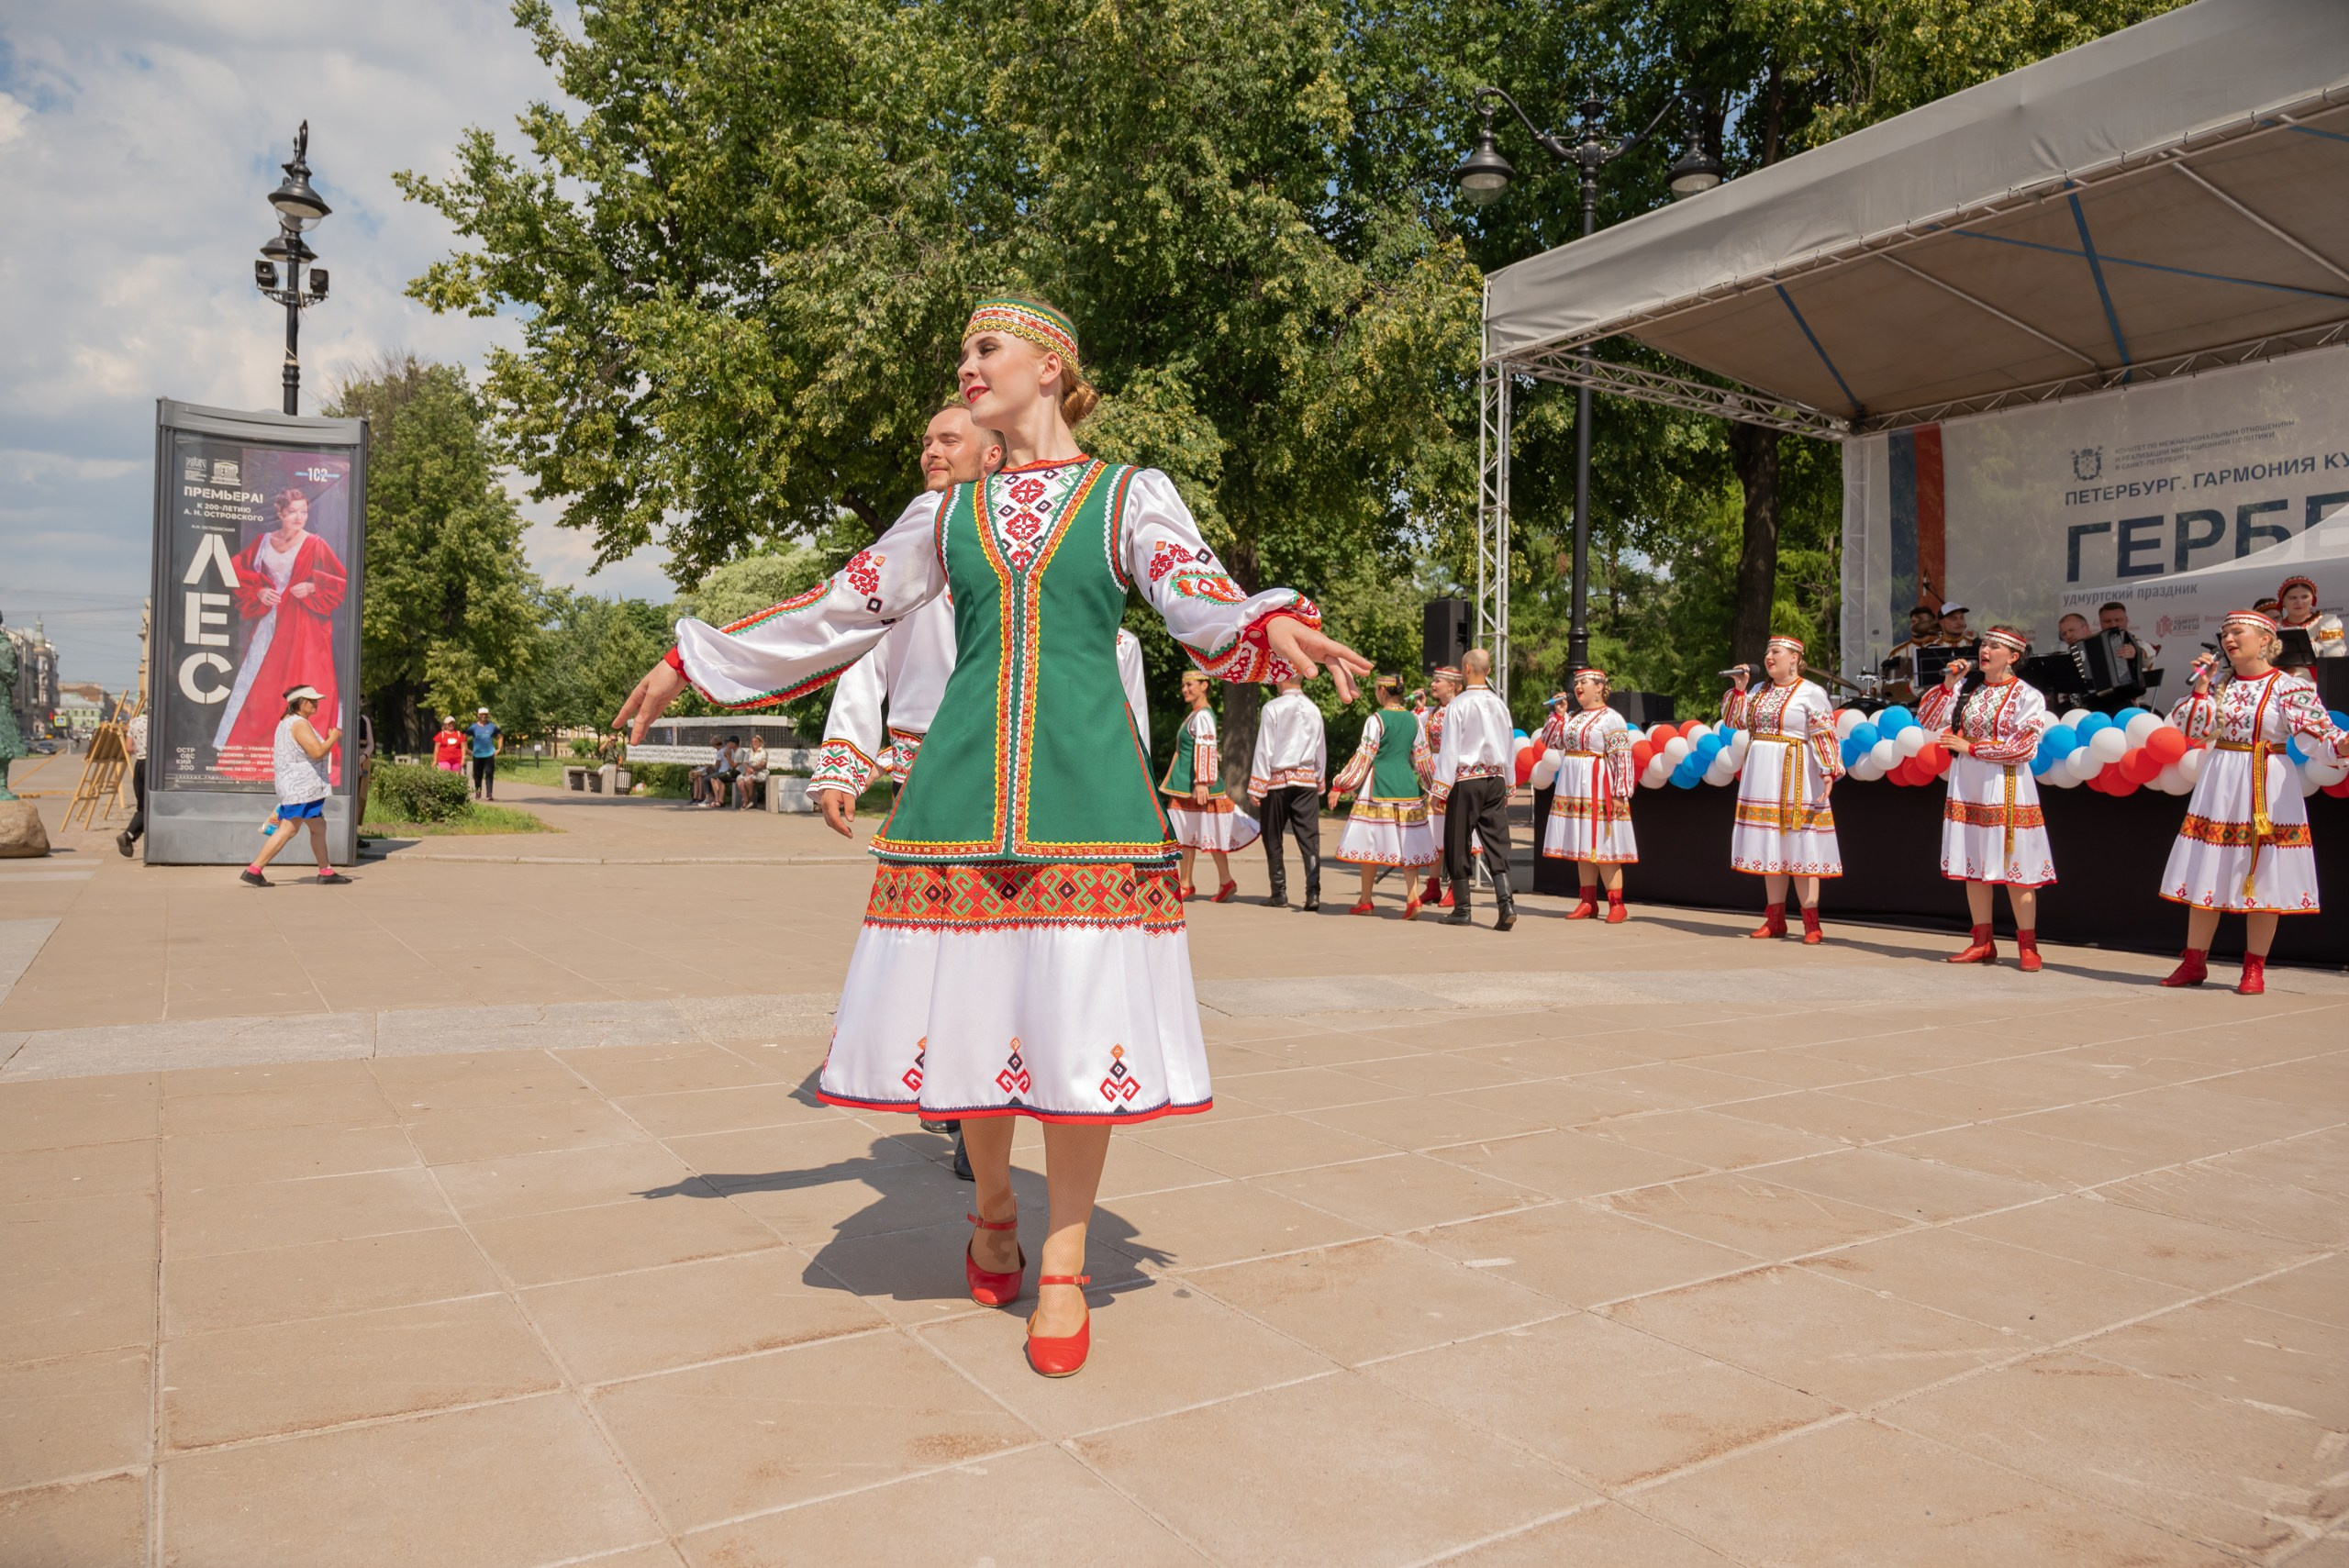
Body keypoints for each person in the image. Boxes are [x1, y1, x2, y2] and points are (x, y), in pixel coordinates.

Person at [615, 294, 1367, 1377]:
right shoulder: (945, 516)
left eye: (986, 348)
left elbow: (1194, 590)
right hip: (960, 786)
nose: (966, 367)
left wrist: (1264, 619)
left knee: (1073, 1017)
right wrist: (694, 656)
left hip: (1085, 789)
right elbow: (837, 606)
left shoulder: (1125, 498)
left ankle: (1061, 1262)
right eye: (964, 351)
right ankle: (997, 1201)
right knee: (967, 1016)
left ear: (1051, 367)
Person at [2158, 610, 2346, 995]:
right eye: (2225, 633)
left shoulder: (2290, 686)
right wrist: (2200, 688)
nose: (2228, 639)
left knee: (2263, 873)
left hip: (2267, 777)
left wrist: (2341, 744)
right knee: (2208, 867)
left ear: (2264, 639)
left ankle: (2254, 969)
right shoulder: (2219, 684)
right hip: (2222, 777)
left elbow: (2318, 732)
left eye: (2237, 632)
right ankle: (2194, 961)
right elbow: (2192, 730)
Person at [1920, 628, 2054, 970]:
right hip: (1969, 782)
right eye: (1984, 644)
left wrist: (1972, 747)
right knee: (1974, 863)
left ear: (2013, 657)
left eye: (1995, 646)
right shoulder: (1968, 688)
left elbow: (2024, 746)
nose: (1985, 650)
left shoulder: (2028, 695)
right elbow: (1927, 719)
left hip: (2006, 783)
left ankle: (2028, 945)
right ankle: (1982, 942)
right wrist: (1949, 685)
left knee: (2015, 865)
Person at [212, 487, 349, 782]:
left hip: (304, 626)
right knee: (260, 688)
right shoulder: (262, 542)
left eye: (304, 511)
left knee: (304, 680)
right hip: (270, 624)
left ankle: (305, 751)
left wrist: (312, 586)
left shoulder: (315, 543)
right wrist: (259, 590)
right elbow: (234, 569)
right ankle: (254, 751)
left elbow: (339, 580)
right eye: (293, 512)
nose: (300, 517)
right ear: (280, 513)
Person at [1722, 636, 1843, 943]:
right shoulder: (1757, 691)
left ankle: (1811, 922)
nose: (1768, 657)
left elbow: (1823, 732)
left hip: (1797, 772)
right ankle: (1775, 919)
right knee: (1772, 844)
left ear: (1795, 657)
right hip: (1762, 773)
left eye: (1775, 652)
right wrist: (1739, 688)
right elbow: (1734, 720)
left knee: (1802, 845)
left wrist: (1829, 770)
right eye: (1766, 652)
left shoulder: (1810, 692)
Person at [1327, 675, 1436, 917]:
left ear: (1383, 692)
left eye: (1377, 689)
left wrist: (1341, 784)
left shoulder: (1376, 720)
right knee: (1410, 843)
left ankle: (1365, 899)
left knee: (1370, 841)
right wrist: (1434, 789)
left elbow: (1364, 756)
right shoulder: (1413, 719)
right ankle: (1412, 898)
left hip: (1380, 785)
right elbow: (1423, 757)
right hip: (1407, 785)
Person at [1538, 667, 1637, 923]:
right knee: (1583, 845)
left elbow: (1622, 757)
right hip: (1575, 787)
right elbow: (1551, 741)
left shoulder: (1611, 718)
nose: (1578, 686)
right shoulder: (1573, 717)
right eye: (1577, 682)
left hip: (1599, 786)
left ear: (1600, 687)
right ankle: (1587, 901)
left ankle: (1617, 904)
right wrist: (1558, 715)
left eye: (1584, 682)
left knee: (1605, 846)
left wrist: (1619, 793)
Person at [1433, 648, 1517, 930]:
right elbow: (1509, 745)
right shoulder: (1499, 704)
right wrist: (1510, 782)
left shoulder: (1458, 706)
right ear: (1489, 671)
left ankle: (1463, 908)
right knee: (1497, 839)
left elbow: (1450, 749)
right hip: (1495, 778)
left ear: (1466, 670)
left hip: (1466, 780)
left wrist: (1439, 789)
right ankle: (1506, 904)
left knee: (1458, 840)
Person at [1163, 670, 1260, 901]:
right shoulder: (1196, 715)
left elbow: (1207, 747)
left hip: (1196, 786)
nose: (1185, 689)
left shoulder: (1203, 716)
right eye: (1183, 685)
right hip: (1187, 785)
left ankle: (1187, 883)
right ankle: (1224, 880)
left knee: (1189, 834)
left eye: (1190, 684)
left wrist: (1203, 782)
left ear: (1204, 685)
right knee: (1205, 833)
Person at [240, 685, 351, 887]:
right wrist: (333, 738)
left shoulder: (289, 722)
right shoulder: (299, 724)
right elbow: (317, 752)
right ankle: (254, 869)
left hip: (301, 788)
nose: (315, 703)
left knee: (319, 827)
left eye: (316, 700)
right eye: (311, 700)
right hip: (301, 789)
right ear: (298, 702)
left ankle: (326, 871)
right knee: (288, 830)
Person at [1247, 675, 1327, 910]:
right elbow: (1320, 747)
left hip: (1278, 781)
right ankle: (1313, 894)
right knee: (1309, 838)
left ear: (1281, 678)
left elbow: (1265, 747)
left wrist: (1257, 783)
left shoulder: (1272, 708)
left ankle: (1279, 892)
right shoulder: (1313, 709)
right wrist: (1319, 779)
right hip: (1306, 780)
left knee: (1272, 835)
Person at [1417, 667, 1464, 908]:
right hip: (1435, 772)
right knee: (1435, 832)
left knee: (1454, 833)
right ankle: (1433, 885)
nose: (1433, 685)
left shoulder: (1461, 709)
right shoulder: (1434, 711)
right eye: (1434, 680)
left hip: (1454, 771)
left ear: (1453, 686)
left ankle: (1456, 887)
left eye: (1438, 681)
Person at [1880, 602, 1943, 703]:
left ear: (1932, 624)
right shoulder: (1897, 651)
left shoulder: (1941, 648)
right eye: (1913, 621)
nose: (1916, 624)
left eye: (1922, 622)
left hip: (1936, 700)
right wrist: (1873, 689)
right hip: (1905, 701)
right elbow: (1885, 678)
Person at [2277, 575, 2344, 666]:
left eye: (2305, 597)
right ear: (2283, 602)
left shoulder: (2326, 622)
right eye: (2293, 598)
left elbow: (2336, 652)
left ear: (2313, 599)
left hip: (2317, 678)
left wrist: (2303, 647)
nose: (2299, 602)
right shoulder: (2274, 628)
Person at [115, 707, 148, 858]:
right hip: (154, 766)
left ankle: (129, 835)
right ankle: (129, 835)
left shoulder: (133, 722)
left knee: (143, 806)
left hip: (139, 765)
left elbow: (128, 747)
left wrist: (140, 748)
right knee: (153, 806)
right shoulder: (157, 721)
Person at [467, 707, 503, 800]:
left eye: (486, 714)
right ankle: (478, 793)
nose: (484, 716)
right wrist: (466, 750)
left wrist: (499, 748)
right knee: (477, 774)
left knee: (489, 773)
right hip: (477, 755)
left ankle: (489, 794)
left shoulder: (492, 727)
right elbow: (463, 737)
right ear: (478, 715)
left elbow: (500, 736)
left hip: (489, 754)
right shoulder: (473, 727)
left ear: (488, 715)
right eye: (482, 714)